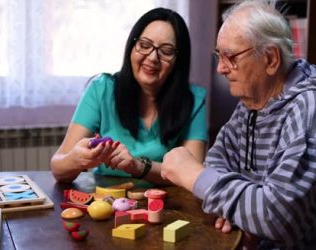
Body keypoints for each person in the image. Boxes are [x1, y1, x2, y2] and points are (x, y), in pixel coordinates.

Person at [160, 0, 316, 249]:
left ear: (270, 59)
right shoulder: (252, 102)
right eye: (219, 56)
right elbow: (218, 163)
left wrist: (194, 175)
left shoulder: (309, 109)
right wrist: (243, 214)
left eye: (230, 56)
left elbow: (278, 216)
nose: (221, 68)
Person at [51, 7, 207, 184]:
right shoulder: (101, 88)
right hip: (105, 201)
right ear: (132, 47)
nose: (153, 57)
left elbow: (193, 176)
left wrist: (138, 166)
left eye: (166, 51)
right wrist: (76, 159)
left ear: (179, 60)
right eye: (145, 45)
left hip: (165, 205)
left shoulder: (194, 99)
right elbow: (58, 168)